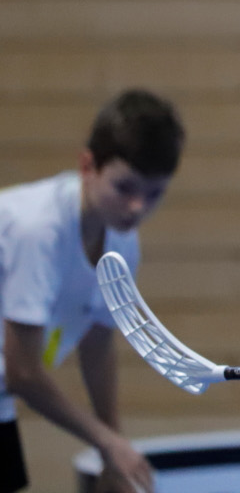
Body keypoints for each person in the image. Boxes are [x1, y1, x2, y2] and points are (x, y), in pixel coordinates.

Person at [1, 89, 184, 493]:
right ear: (88, 166)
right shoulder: (38, 230)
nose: (137, 207)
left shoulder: (122, 241)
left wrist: (113, 452)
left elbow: (97, 341)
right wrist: (107, 443)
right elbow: (23, 373)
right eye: (125, 188)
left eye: (154, 194)